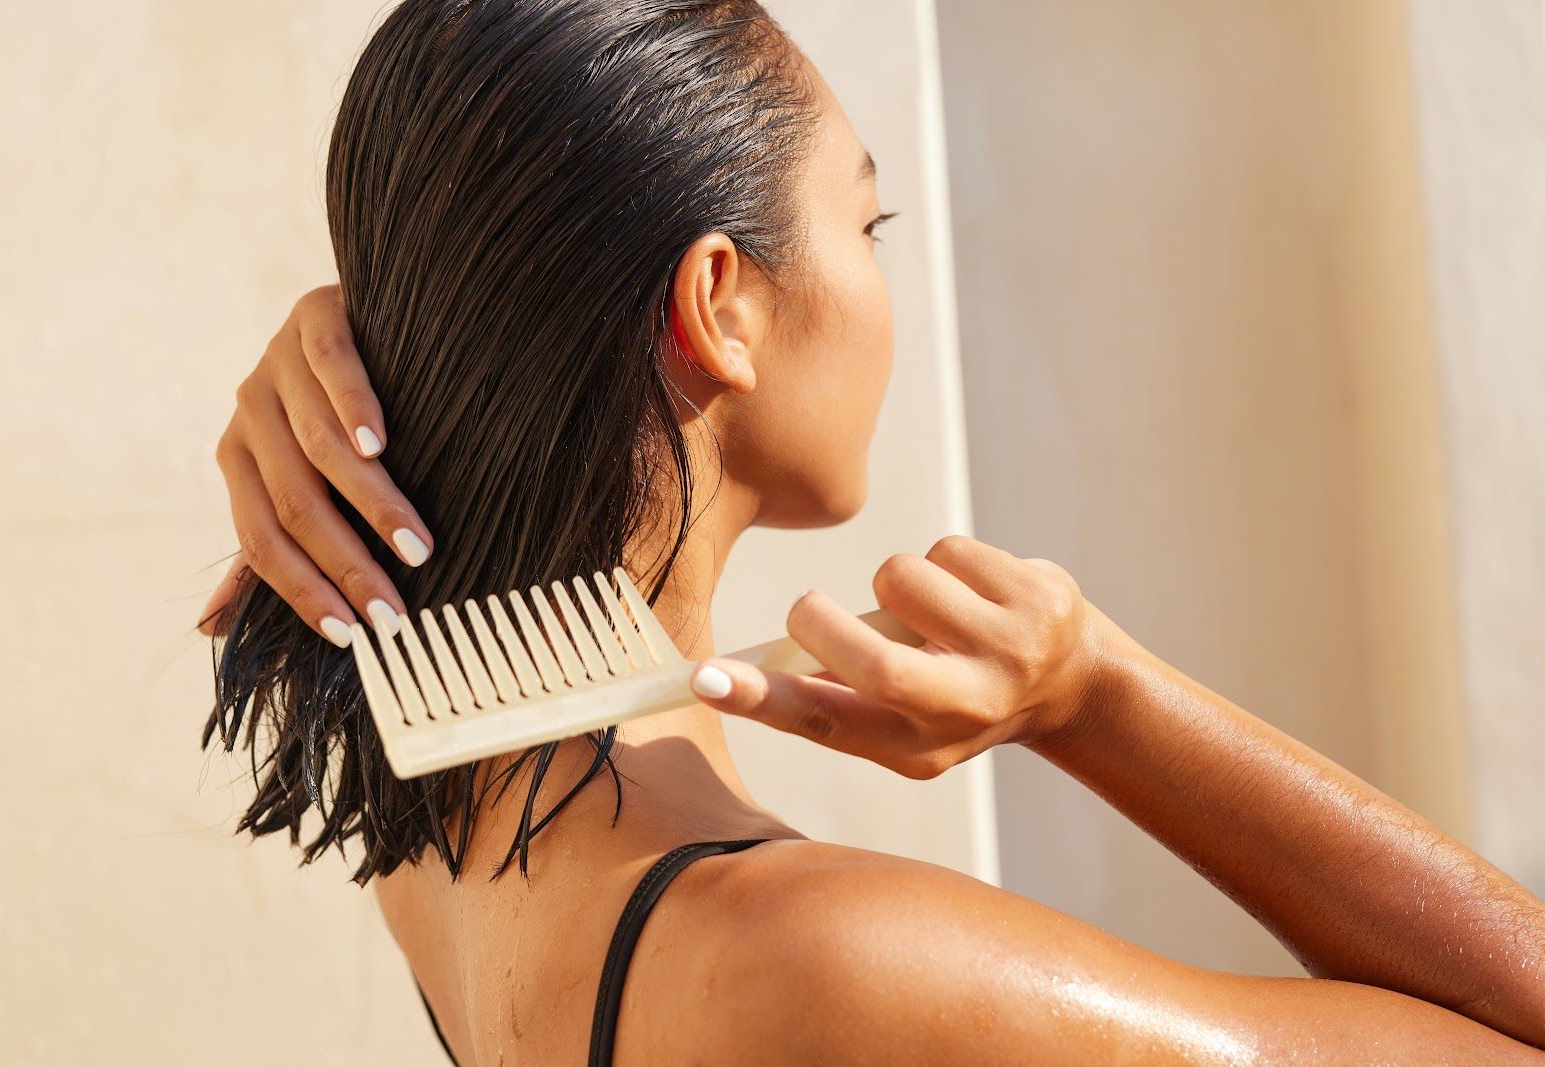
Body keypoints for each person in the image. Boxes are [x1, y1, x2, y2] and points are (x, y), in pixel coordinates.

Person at [199, 1, 1545, 1062]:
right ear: (718, 300)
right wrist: (1097, 695)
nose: (878, 267)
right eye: (867, 219)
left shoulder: (437, 816)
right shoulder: (828, 965)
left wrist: (420, 335)